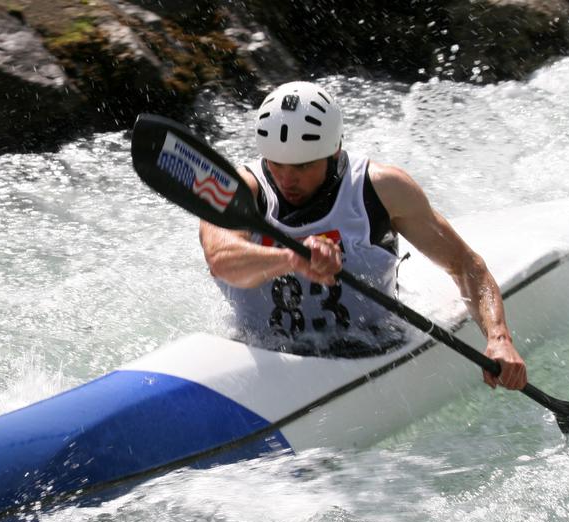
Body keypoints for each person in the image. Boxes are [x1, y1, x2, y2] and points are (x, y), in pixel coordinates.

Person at [199, 80, 528, 390]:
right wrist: (292, 258)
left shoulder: (382, 189)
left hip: (373, 343)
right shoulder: (235, 190)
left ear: (334, 151)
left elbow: (465, 265)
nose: (287, 179)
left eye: (302, 166)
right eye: (276, 164)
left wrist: (499, 338)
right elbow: (221, 260)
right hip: (261, 353)